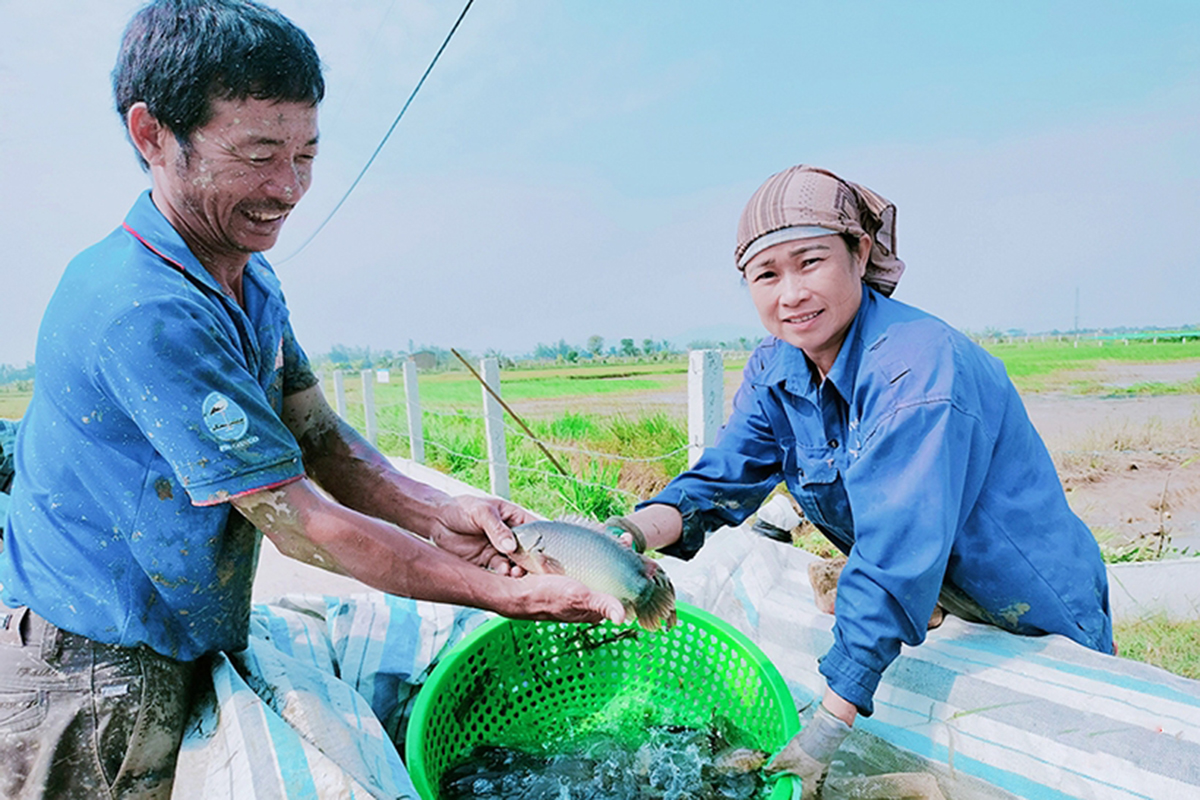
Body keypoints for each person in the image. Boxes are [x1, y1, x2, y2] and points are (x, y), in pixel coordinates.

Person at [0, 2, 624, 797]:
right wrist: (504, 593)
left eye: (306, 154)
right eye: (259, 154)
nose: (288, 188)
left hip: (175, 630)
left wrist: (438, 513)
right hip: (88, 664)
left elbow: (322, 439)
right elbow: (299, 521)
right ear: (152, 135)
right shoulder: (142, 307)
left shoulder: (245, 275)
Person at [607, 164, 1113, 798]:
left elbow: (894, 555)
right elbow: (722, 481)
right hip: (942, 596)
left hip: (1028, 598)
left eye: (810, 262)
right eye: (767, 275)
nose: (790, 293)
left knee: (1057, 761)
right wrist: (625, 535)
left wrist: (827, 728)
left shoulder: (916, 373)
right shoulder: (776, 368)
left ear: (861, 252)